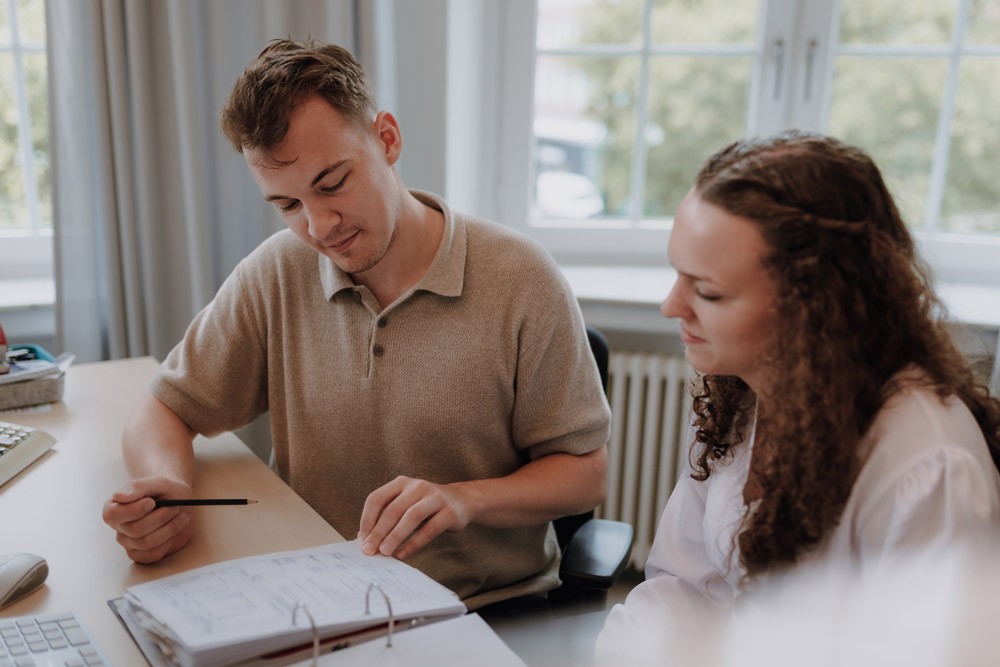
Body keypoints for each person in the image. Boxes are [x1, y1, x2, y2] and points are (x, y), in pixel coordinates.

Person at [101, 38, 610, 611]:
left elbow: (585, 474)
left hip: (481, 609)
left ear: (386, 140)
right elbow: (164, 407)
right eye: (288, 206)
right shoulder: (278, 271)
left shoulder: (521, 277)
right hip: (311, 603)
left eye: (332, 183)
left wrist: (464, 500)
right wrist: (167, 493)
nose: (319, 227)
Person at [595, 131, 1000, 663]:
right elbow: (683, 585)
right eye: (677, 276)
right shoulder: (740, 393)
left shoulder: (927, 467)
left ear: (816, 304)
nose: (672, 306)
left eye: (708, 292)